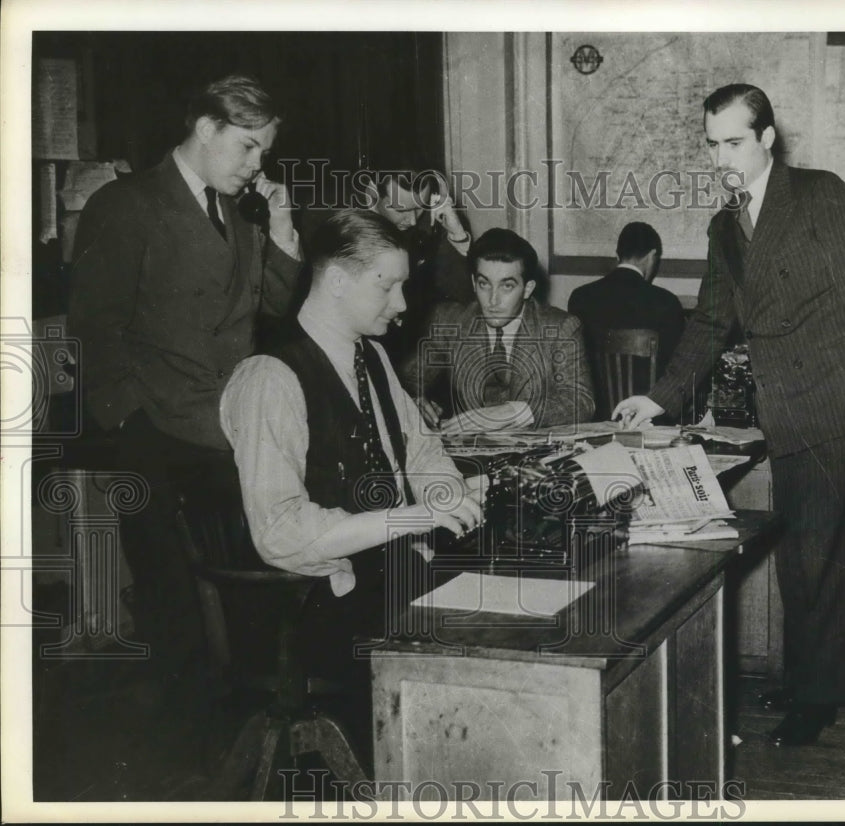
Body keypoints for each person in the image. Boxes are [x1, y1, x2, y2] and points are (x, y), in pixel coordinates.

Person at [614, 84, 845, 746]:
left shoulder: (821, 196)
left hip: (834, 404)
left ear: (768, 139)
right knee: (801, 558)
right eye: (712, 145)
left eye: (734, 142)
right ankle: (810, 679)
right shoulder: (726, 226)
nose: (723, 158)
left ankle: (818, 699)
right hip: (783, 409)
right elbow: (712, 320)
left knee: (823, 558)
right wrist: (660, 395)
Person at [67, 74, 302, 697]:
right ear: (206, 129)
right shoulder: (126, 204)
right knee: (172, 602)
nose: (256, 166)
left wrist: (280, 232)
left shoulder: (241, 210)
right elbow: (94, 328)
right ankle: (176, 749)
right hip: (158, 439)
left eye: (264, 153)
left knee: (238, 592)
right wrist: (129, 426)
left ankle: (239, 728)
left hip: (228, 432)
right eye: (247, 147)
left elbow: (272, 308)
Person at [220, 209, 481, 752]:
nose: (403, 305)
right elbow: (281, 530)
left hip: (382, 582)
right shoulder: (271, 376)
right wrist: (413, 518)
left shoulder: (373, 358)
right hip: (310, 607)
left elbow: (422, 448)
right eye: (388, 287)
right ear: (337, 280)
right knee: (485, 647)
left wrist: (449, 497)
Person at [400, 227, 595, 433]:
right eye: (484, 284)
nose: (493, 300)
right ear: (474, 283)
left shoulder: (560, 327)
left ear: (527, 289)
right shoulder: (451, 322)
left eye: (507, 286)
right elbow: (406, 380)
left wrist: (513, 412)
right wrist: (413, 400)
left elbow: (581, 402)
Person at [300, 165, 474, 363]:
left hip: (400, 350)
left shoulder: (428, 221)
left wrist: (457, 234)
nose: (413, 221)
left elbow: (463, 295)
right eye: (401, 210)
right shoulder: (330, 216)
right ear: (372, 194)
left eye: (420, 208)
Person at [568, 221, 685, 417]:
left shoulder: (580, 297)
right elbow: (677, 368)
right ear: (651, 257)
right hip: (651, 417)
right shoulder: (667, 302)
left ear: (617, 255)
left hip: (595, 415)